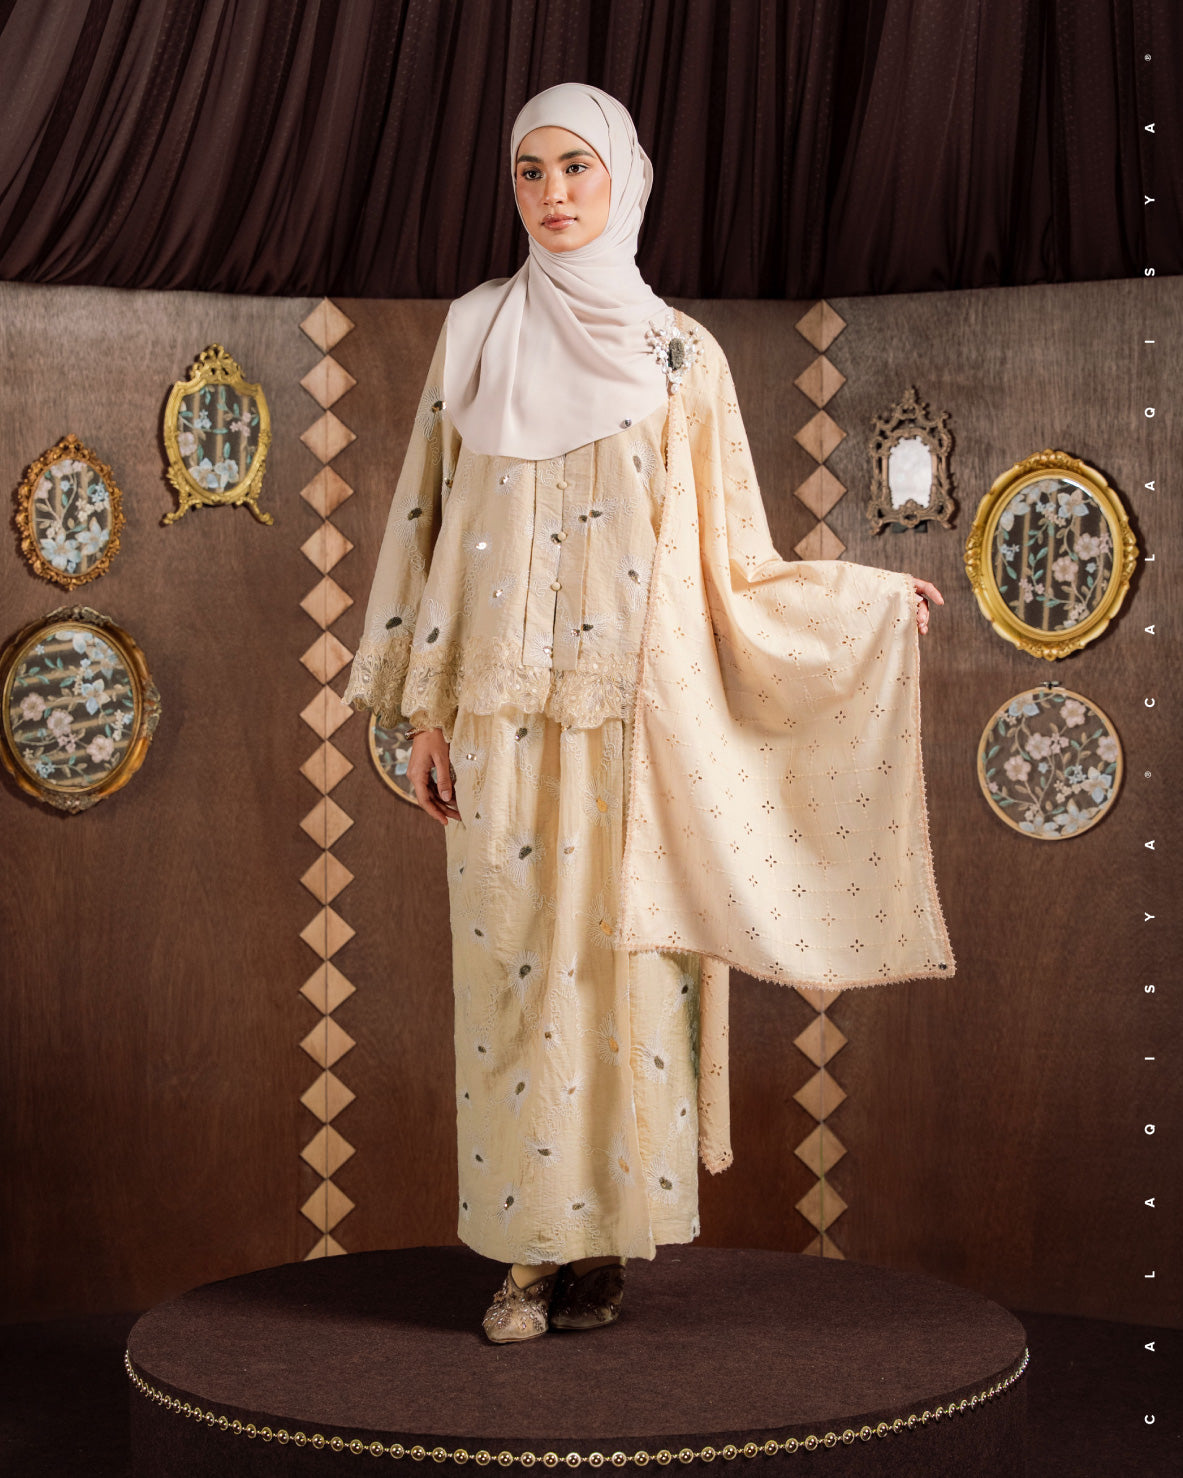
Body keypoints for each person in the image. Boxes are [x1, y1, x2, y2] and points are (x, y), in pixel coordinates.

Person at [343, 82, 952, 1344]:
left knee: (625, 987)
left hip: (637, 729)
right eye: (529, 171)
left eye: (577, 166)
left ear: (622, 176)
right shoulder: (475, 331)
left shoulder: (681, 355)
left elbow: (732, 555)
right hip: (501, 719)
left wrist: (865, 600)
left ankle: (604, 1242)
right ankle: (526, 1256)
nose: (553, 193)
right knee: (514, 986)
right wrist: (421, 712)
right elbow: (422, 522)